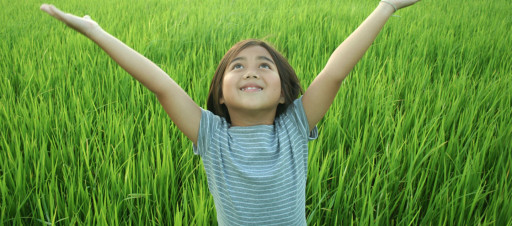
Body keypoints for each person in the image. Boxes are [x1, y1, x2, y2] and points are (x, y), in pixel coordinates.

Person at [41, 0, 420, 225]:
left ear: (286, 92)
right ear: (219, 96)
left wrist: (384, 7)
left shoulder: (295, 126)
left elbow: (335, 71)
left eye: (264, 66)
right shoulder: (212, 135)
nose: (251, 70)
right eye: (236, 67)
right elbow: (160, 84)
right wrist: (97, 32)